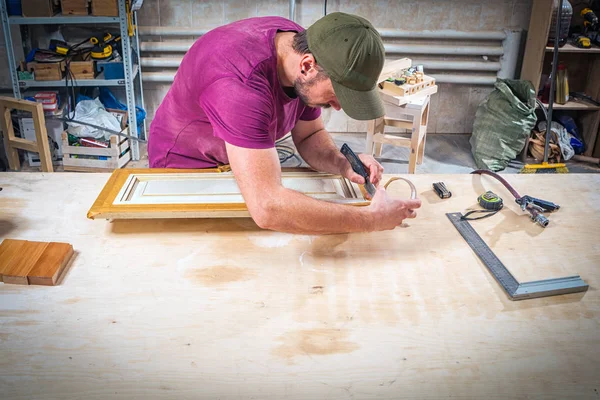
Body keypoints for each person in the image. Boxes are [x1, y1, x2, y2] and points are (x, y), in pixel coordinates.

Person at [148, 12, 421, 234]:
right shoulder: (240, 86)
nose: (338, 107)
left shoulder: (302, 45)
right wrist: (370, 220)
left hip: (237, 158)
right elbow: (268, 208)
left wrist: (341, 162)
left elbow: (309, 135)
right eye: (338, 96)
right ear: (307, 66)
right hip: (187, 168)